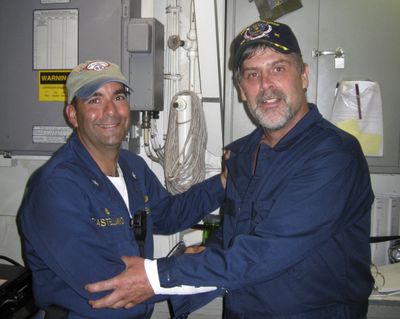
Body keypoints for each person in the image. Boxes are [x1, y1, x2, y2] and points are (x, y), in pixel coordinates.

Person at [86, 20, 375, 319]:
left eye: (278, 68)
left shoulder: (333, 155)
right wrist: (209, 251)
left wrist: (156, 276)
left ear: (303, 75)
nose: (266, 86)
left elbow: (265, 251)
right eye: (252, 74)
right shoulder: (241, 155)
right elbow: (235, 233)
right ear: (240, 89)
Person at [18, 60, 226, 319]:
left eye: (118, 97)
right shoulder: (55, 188)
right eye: (94, 100)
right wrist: (187, 266)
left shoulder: (132, 167)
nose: (110, 111)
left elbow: (169, 215)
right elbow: (106, 283)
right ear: (72, 115)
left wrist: (223, 182)